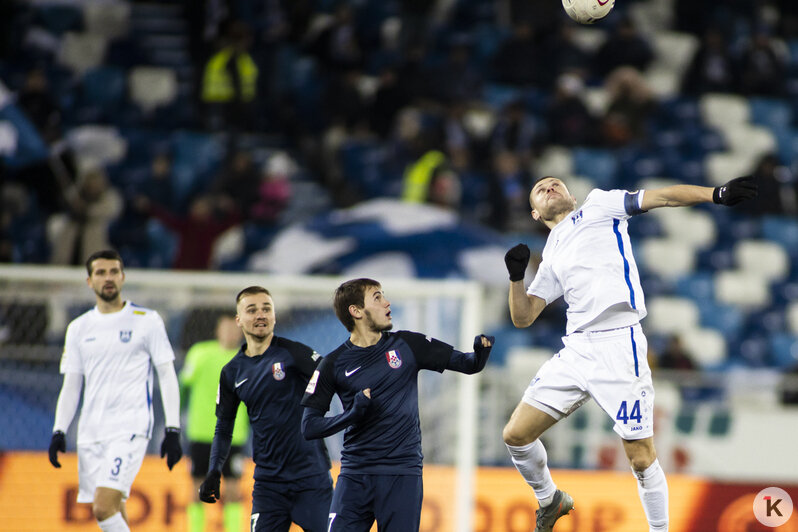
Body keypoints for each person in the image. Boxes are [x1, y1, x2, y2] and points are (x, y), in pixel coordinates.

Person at [501, 175, 757, 532]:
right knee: (515, 435)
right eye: (541, 188)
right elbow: (524, 316)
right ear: (534, 213)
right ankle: (550, 499)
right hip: (577, 349)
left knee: (640, 457)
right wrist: (516, 278)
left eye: (556, 183)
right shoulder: (553, 253)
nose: (549, 187)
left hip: (620, 344)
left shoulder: (598, 205)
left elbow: (663, 197)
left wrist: (715, 194)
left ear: (572, 197)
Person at [300, 278, 495, 531]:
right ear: (356, 311)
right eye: (377, 297)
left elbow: (469, 365)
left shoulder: (407, 345)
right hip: (355, 475)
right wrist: (352, 414)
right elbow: (309, 427)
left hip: (402, 475)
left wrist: (481, 352)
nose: (387, 302)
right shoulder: (333, 363)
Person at [48, 249, 183, 532]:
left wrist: (172, 429)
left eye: (113, 272)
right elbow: (72, 385)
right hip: (91, 431)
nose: (107, 278)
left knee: (103, 507)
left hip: (129, 427)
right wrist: (59, 430)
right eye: (100, 273)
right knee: (116, 508)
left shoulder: (146, 320)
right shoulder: (78, 328)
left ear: (122, 278)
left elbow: (167, 375)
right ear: (89, 281)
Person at [198, 286, 332, 532]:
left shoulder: (294, 353)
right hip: (268, 485)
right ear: (239, 320)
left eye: (266, 309)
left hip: (311, 480)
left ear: (274, 316)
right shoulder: (232, 372)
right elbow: (224, 426)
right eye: (252, 310)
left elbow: (334, 377)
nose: (260, 314)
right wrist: (215, 470)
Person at [180, 314, 250, 532]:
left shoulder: (248, 358)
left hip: (233, 434)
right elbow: (184, 386)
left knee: (232, 490)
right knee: (197, 488)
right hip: (201, 431)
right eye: (226, 328)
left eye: (234, 328)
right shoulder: (200, 353)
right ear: (218, 330)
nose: (230, 333)